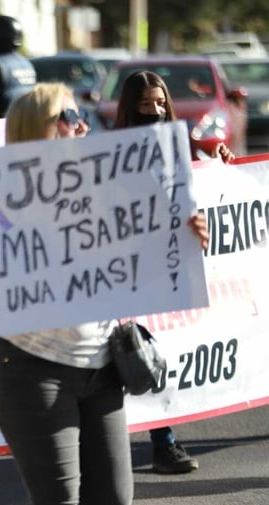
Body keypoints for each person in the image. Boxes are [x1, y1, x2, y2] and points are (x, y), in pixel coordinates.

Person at [0, 82, 210, 505]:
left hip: (101, 369)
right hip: (28, 370)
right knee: (58, 503)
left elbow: (143, 257)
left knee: (113, 503)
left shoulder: (103, 185)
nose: (80, 123)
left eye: (79, 114)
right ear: (37, 127)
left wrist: (185, 236)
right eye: (68, 116)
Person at [113, 69, 234, 475]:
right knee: (134, 354)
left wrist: (220, 169)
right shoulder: (112, 154)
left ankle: (163, 439)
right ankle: (134, 441)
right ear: (130, 108)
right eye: (145, 105)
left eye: (160, 103)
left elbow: (199, 186)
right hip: (129, 268)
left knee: (160, 352)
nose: (154, 110)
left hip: (168, 265)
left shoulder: (178, 145)